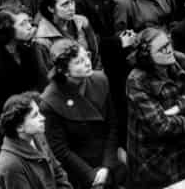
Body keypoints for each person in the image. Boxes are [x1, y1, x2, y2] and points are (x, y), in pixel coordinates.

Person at [125, 27, 185, 189]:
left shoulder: (180, 59)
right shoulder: (137, 80)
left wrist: (179, 107)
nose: (169, 50)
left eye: (168, 44)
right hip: (159, 161)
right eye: (161, 49)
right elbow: (162, 126)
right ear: (146, 57)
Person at [39, 39, 126, 189]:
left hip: (109, 160)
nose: (87, 63)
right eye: (79, 62)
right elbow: (61, 150)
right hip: (83, 173)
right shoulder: (50, 101)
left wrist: (107, 165)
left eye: (86, 56)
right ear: (64, 70)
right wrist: (91, 174)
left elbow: (112, 125)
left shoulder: (100, 79)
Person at [0, 92, 73, 189]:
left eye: (39, 112)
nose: (43, 118)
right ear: (19, 127)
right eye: (35, 115)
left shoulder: (38, 136)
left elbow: (58, 173)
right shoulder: (10, 165)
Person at [0, 7, 47, 110]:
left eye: (29, 21)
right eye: (22, 24)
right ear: (8, 29)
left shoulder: (26, 48)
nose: (29, 27)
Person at [34, 0, 101, 71]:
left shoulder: (82, 22)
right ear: (51, 8)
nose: (71, 8)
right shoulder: (42, 40)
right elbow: (48, 74)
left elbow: (96, 56)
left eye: (72, 1)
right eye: (65, 4)